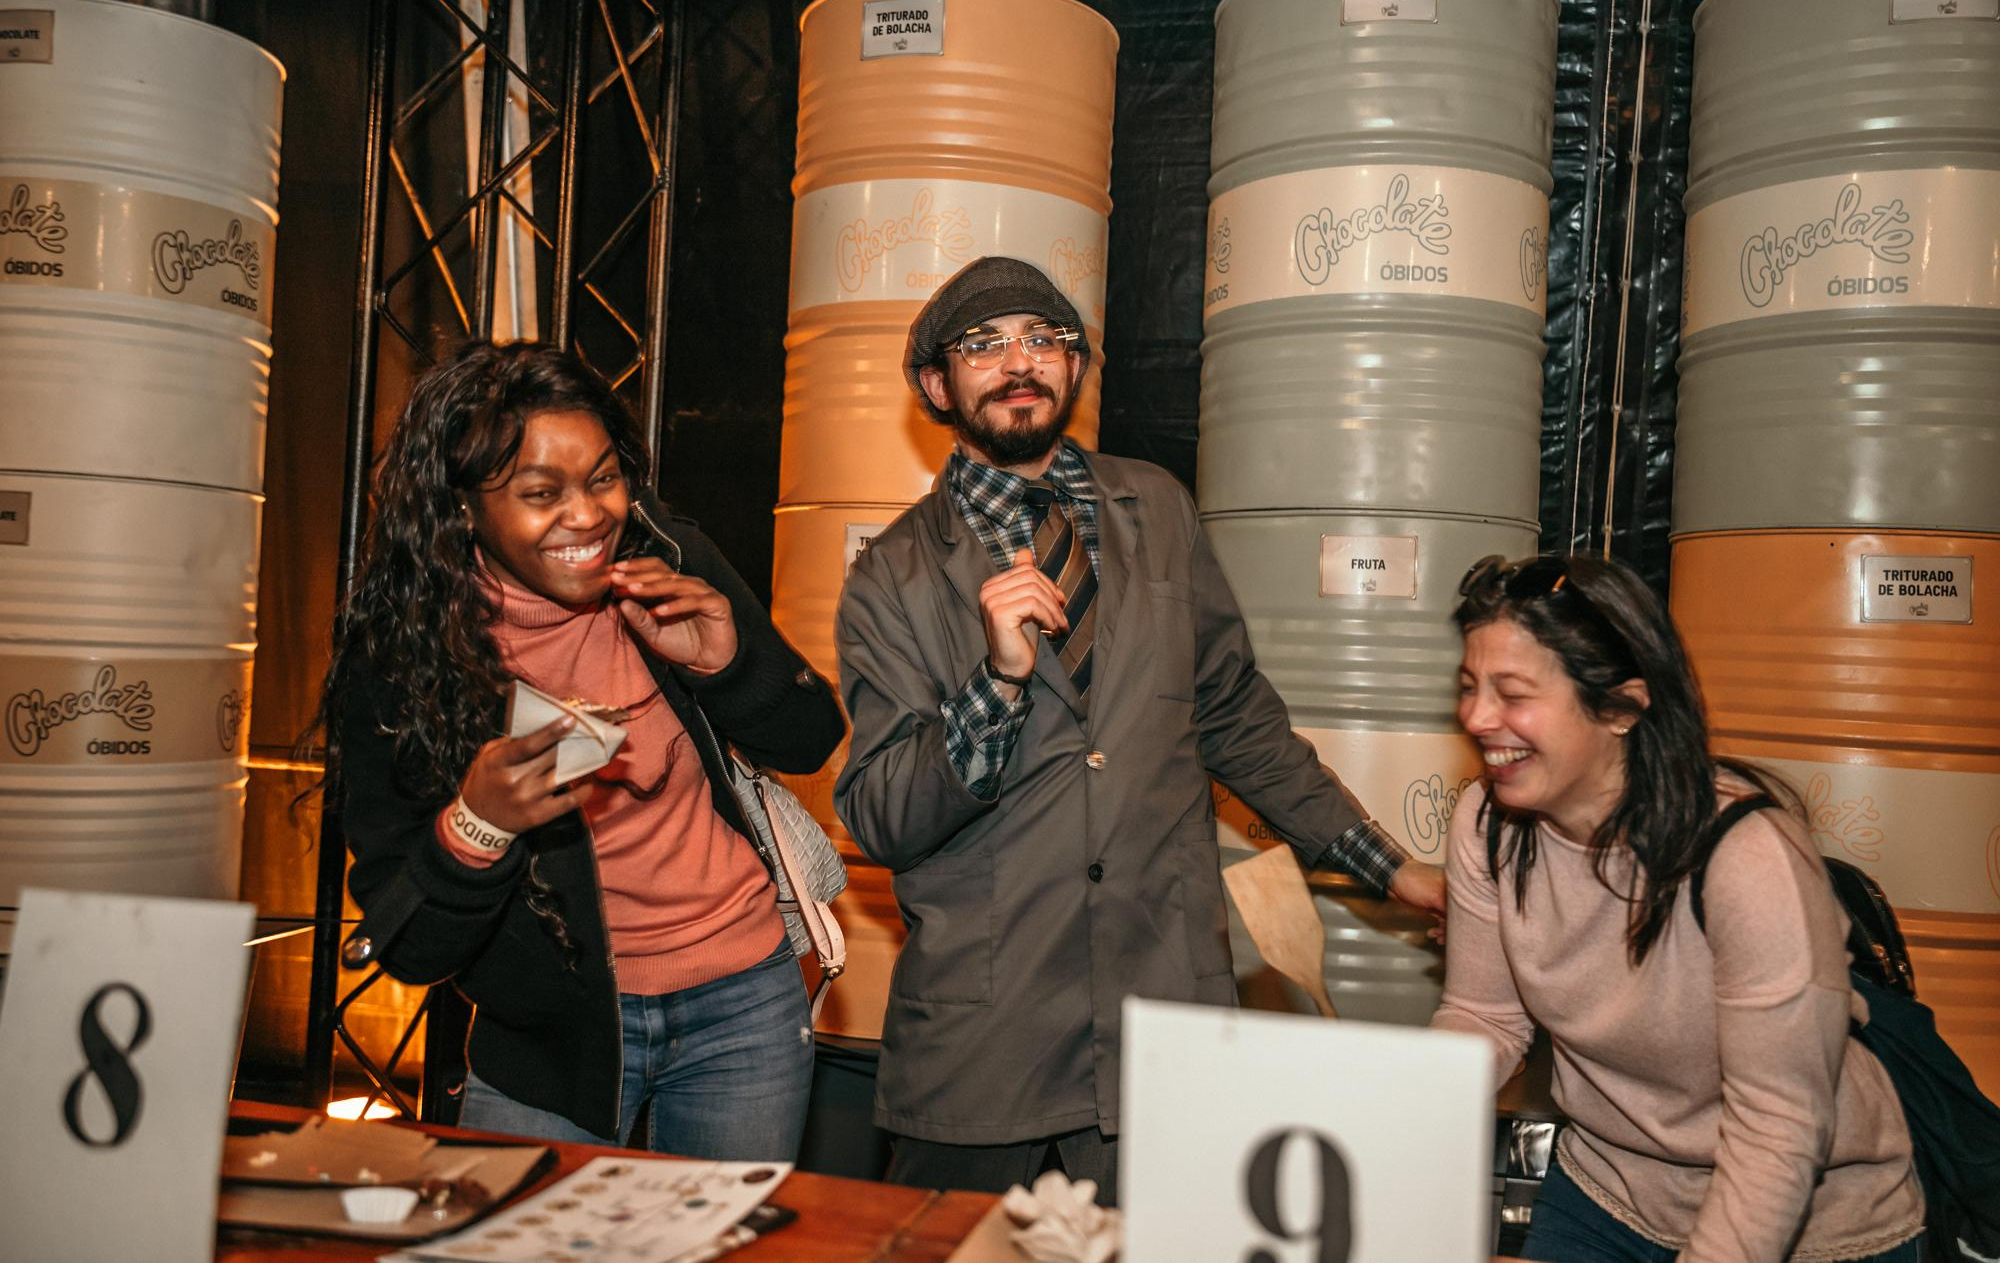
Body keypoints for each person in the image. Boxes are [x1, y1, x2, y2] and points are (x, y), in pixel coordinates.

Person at [832, 256, 1448, 1200]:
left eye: (1045, 338)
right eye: (984, 345)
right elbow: (878, 814)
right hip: (986, 1039)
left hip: (1163, 1016)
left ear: (1077, 367)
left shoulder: (1156, 506)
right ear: (934, 384)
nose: (1020, 362)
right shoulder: (895, 573)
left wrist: (1388, 865)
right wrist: (997, 684)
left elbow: (1237, 714)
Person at [317, 340, 845, 1159]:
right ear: (462, 505)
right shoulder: (404, 657)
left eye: (603, 477)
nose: (589, 514)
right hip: (550, 1039)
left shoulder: (664, 556)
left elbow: (812, 740)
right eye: (539, 492)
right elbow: (413, 945)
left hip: (743, 1005)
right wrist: (478, 825)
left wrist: (728, 664)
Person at [1434, 553, 1924, 1263]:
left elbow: (1778, 1130)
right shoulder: (1488, 821)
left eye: (1511, 693)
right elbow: (1484, 1014)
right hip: (1606, 1191)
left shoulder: (1747, 856)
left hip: (1806, 1224)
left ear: (1623, 708)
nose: (1477, 717)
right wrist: (1395, 1109)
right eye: (1469, 685)